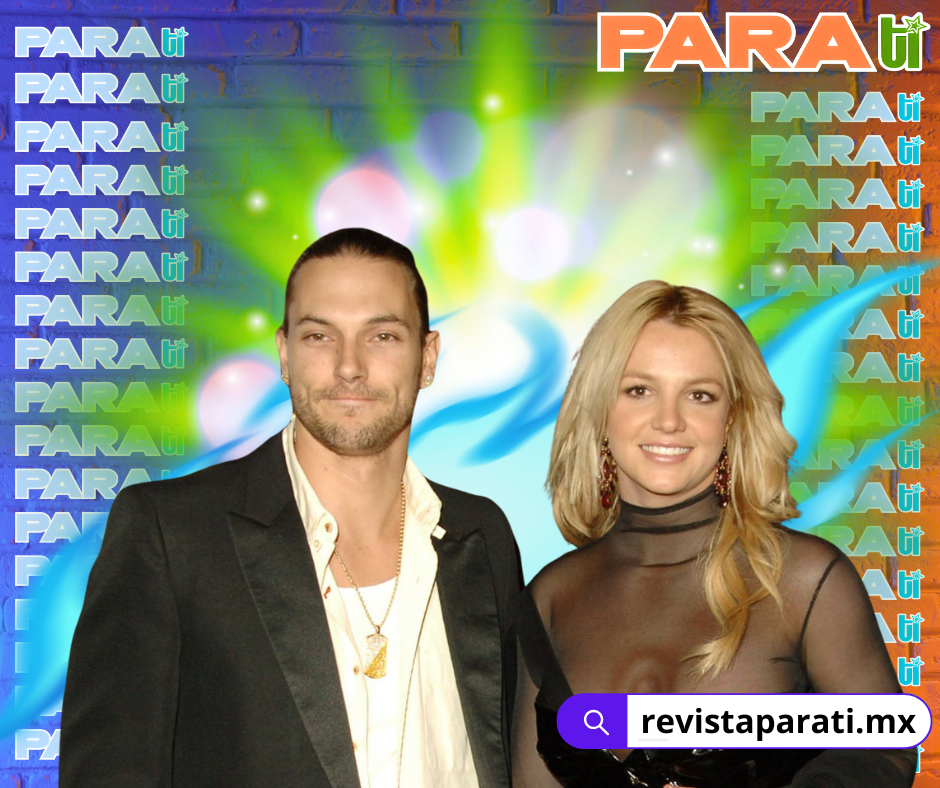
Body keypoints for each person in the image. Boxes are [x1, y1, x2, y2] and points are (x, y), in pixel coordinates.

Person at [61, 227, 523, 788]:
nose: (349, 366)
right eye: (319, 336)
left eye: (382, 335)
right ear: (284, 354)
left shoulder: (481, 536)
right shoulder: (172, 536)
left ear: (427, 358)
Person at [511, 281, 915, 788]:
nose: (669, 421)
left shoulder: (803, 580)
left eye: (700, 395)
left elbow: (884, 750)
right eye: (639, 390)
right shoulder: (550, 597)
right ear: (599, 409)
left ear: (731, 418)